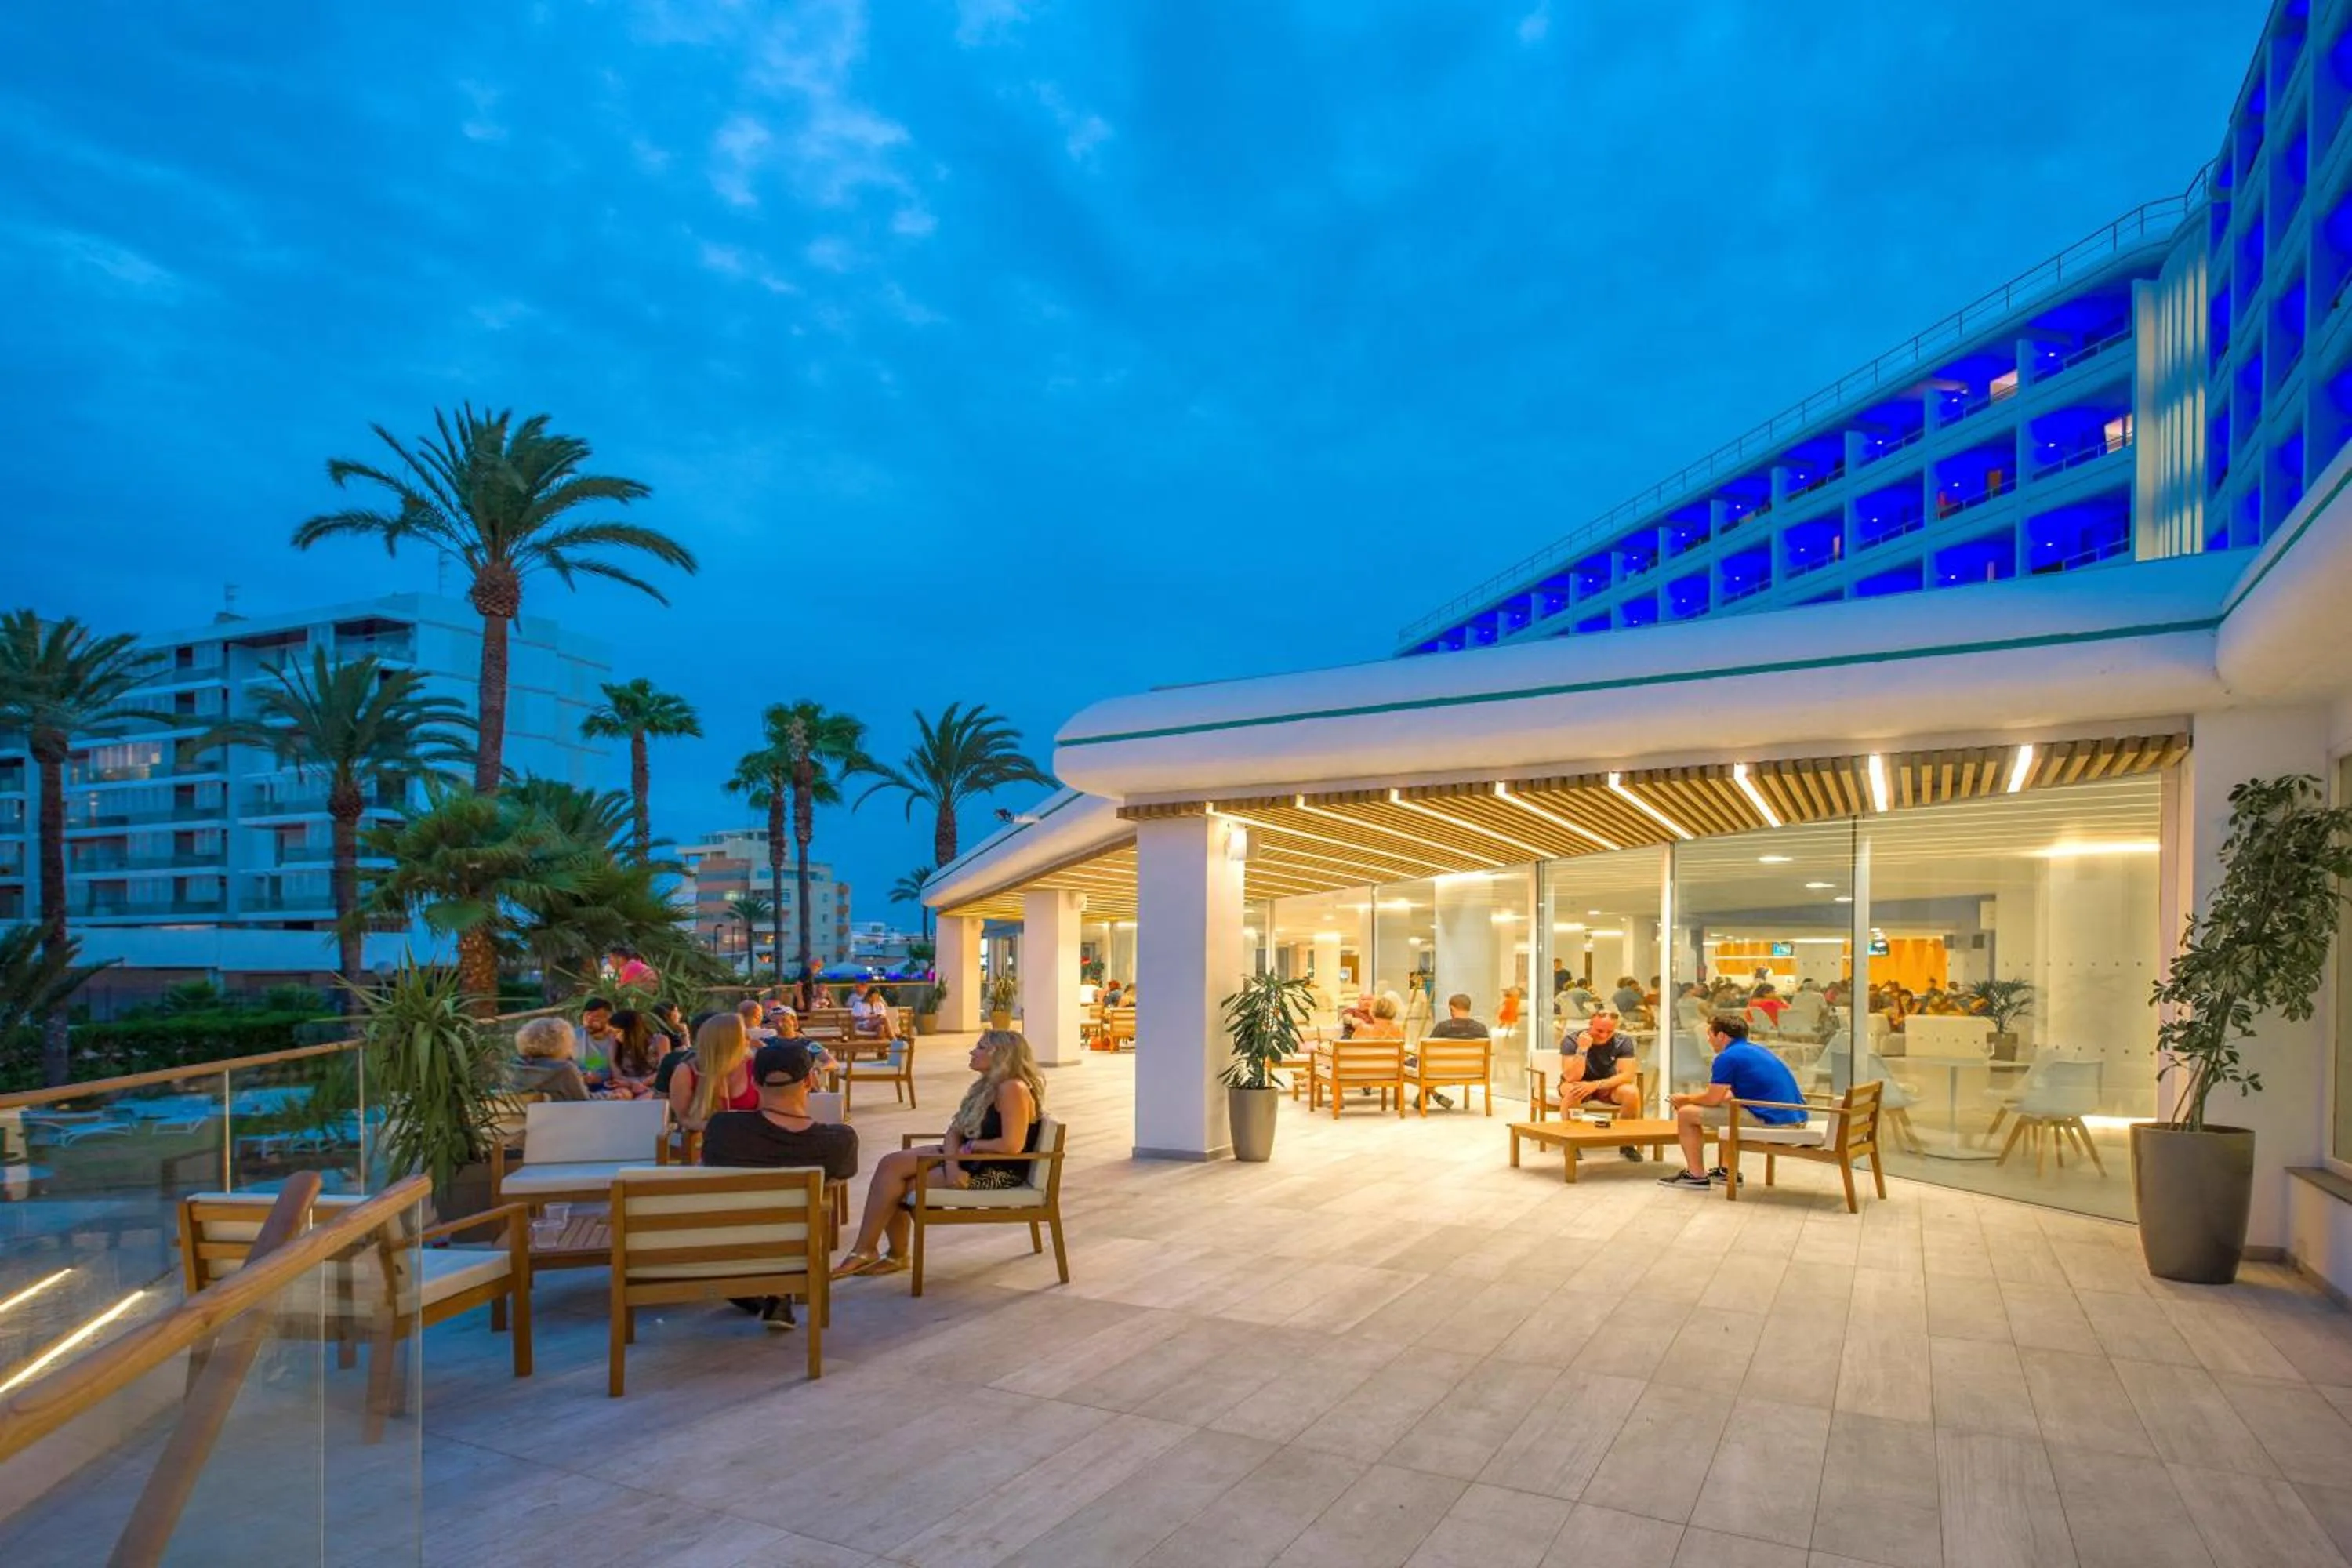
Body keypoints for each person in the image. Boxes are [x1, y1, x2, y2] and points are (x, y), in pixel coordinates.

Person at [835, 1029, 1046, 1277]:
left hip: (995, 1169)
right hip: (968, 1159)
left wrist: (975, 1147)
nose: (972, 1051)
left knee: (899, 1185)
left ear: (999, 1054)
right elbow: (955, 1129)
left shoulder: (1013, 1089)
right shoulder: (988, 1086)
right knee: (890, 1165)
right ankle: (868, 1250)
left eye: (979, 1047)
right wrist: (954, 1163)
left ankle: (891, 1255)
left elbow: (1012, 1146)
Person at [702, 1040, 862, 1330]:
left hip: (727, 1242)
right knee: (794, 1217)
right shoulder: (838, 1141)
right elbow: (838, 1180)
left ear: (755, 1082)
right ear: (811, 1080)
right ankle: (778, 1290)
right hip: (792, 1241)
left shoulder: (723, 1129)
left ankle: (760, 1288)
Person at [1661, 1015, 1808, 1189]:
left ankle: (1696, 1175)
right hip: (1793, 1116)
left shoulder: (1727, 1057)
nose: (1708, 1040)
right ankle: (1727, 1171)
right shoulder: (1757, 1050)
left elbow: (1712, 1098)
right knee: (1729, 1107)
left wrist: (1685, 1100)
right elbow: (1725, 1097)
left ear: (1721, 1036)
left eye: (1710, 1035)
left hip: (1775, 1122)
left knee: (1686, 1114)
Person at [1560, 1010, 1644, 1160]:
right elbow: (1572, 1076)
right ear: (1590, 1025)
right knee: (1572, 1091)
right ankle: (1573, 1141)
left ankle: (1627, 1143)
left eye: (1609, 1031)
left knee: (1631, 1092)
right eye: (1599, 1030)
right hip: (1578, 1082)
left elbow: (1627, 1075)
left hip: (1606, 1084)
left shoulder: (1623, 1041)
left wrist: (1596, 1085)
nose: (1604, 1035)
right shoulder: (1571, 1040)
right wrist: (1582, 1049)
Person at [670, 1011, 760, 1134]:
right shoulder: (687, 1071)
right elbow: (683, 1119)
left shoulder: (755, 1066)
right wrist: (720, 1128)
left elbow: (765, 1114)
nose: (749, 1039)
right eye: (744, 1034)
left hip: (749, 1141)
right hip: (705, 1144)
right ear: (728, 1041)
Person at [1413, 992, 1486, 1110]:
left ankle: (1433, 1095)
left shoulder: (1443, 1027)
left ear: (1452, 1008)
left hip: (1441, 1070)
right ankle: (1431, 1095)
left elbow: (1427, 1051)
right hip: (1472, 1070)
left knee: (1420, 1063)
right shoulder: (1481, 1029)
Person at [510, 1015, 591, 1101]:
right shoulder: (564, 1069)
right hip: (563, 1113)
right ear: (561, 1042)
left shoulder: (515, 1067)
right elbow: (584, 1102)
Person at [598, 1009, 662, 1098]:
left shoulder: (659, 1041)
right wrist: (631, 1084)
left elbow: (663, 1071)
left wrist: (642, 1084)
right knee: (617, 1096)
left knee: (644, 1100)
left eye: (617, 1032)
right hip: (627, 1084)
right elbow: (616, 1073)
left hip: (652, 1084)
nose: (614, 1036)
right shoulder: (616, 1044)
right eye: (612, 1033)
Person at [575, 996, 617, 1076]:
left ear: (609, 1018)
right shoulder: (573, 1036)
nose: (589, 1022)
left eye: (596, 1018)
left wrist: (602, 1077)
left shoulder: (618, 1038)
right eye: (586, 1017)